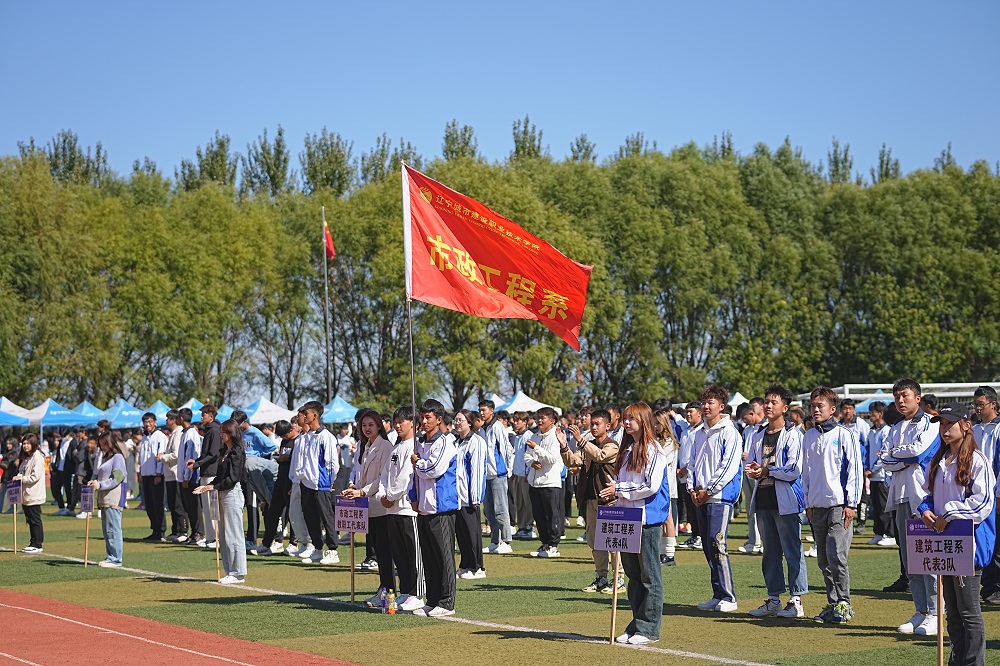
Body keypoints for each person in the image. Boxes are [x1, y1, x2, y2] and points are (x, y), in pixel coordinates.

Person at [918, 403, 996, 666]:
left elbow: (983, 503)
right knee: (952, 611)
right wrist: (925, 510)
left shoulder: (978, 460)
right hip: (942, 542)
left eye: (949, 423)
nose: (944, 429)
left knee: (969, 611)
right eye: (940, 424)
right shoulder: (937, 460)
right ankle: (957, 660)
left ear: (965, 425)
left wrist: (949, 512)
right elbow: (927, 494)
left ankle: (974, 662)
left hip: (968, 544)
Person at [599, 402, 669, 646]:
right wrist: (614, 493)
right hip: (626, 517)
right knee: (633, 575)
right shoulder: (627, 449)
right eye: (626, 419)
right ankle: (637, 623)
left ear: (644, 421)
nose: (627, 423)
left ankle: (649, 628)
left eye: (632, 419)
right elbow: (622, 482)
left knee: (650, 575)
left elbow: (650, 485)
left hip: (647, 518)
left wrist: (619, 488)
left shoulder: (654, 450)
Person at [878, 378, 940, 634]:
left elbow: (918, 453)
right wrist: (898, 457)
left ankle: (936, 613)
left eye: (905, 395)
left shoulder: (931, 423)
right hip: (901, 496)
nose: (900, 400)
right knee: (910, 559)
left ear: (917, 397)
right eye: (896, 397)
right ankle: (920, 610)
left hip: (923, 498)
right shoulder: (894, 428)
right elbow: (884, 459)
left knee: (928, 558)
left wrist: (897, 455)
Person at [745, 384, 808, 619]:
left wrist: (766, 471)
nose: (768, 405)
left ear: (785, 407)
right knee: (769, 552)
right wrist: (753, 469)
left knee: (793, 551)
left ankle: (796, 600)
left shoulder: (794, 434)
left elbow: (794, 469)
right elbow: (750, 461)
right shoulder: (757, 433)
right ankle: (773, 599)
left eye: (774, 402)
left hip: (786, 500)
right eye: (766, 401)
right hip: (762, 498)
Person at [802, 386, 862, 624]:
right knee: (823, 559)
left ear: (832, 409)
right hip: (817, 505)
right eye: (813, 406)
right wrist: (807, 501)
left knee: (837, 553)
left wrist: (851, 503)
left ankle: (845, 603)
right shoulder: (808, 435)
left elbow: (854, 470)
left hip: (839, 504)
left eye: (820, 406)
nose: (815, 410)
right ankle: (833, 602)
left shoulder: (844, 434)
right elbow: (806, 473)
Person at [688, 386, 742, 612]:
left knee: (717, 542)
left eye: (711, 402)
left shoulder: (730, 432)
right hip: (700, 495)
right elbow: (691, 463)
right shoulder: (698, 432)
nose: (706, 406)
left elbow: (728, 466)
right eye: (704, 402)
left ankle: (729, 596)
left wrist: (709, 490)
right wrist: (692, 488)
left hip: (719, 497)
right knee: (708, 547)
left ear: (722, 406)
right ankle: (717, 593)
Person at [409, 399, 459, 617]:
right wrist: (413, 495)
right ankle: (432, 599)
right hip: (423, 507)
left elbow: (433, 469)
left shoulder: (445, 443)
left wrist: (417, 462)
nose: (424, 421)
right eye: (422, 416)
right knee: (428, 555)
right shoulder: (419, 443)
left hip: (442, 506)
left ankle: (447, 602)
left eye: (428, 417)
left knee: (443, 555)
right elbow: (414, 476)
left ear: (439, 420)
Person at [563, 408, 619, 591]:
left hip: (609, 500)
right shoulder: (587, 445)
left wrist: (580, 440)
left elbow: (600, 456)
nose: (593, 427)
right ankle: (601, 577)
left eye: (597, 424)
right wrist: (564, 446)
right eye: (592, 424)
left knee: (612, 541)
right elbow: (573, 461)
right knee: (595, 542)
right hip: (591, 499)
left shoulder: (612, 445)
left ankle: (618, 579)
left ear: (607, 426)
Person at [342, 408, 395, 600]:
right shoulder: (364, 446)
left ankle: (388, 589)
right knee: (378, 550)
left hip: (381, 505)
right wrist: (353, 485)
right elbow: (359, 473)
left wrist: (361, 491)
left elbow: (383, 478)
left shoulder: (386, 447)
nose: (367, 428)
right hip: (366, 506)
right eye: (363, 425)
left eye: (371, 425)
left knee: (385, 551)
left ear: (379, 426)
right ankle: (383, 588)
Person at [376, 406, 424, 613]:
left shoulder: (415, 446)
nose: (397, 425)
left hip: (406, 509)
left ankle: (418, 593)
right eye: (395, 421)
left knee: (413, 553)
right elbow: (384, 476)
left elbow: (407, 478)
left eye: (401, 421)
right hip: (391, 510)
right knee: (400, 554)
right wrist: (382, 496)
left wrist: (391, 496)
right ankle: (406, 590)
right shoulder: (396, 448)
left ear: (412, 423)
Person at [193, 419, 247, 585]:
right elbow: (221, 476)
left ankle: (238, 572)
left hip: (232, 494)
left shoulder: (237, 451)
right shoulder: (224, 451)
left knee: (233, 533)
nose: (221, 434)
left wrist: (212, 486)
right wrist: (208, 486)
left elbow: (233, 478)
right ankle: (229, 570)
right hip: (222, 493)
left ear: (231, 433)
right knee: (223, 534)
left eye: (224, 432)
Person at [292, 401, 341, 565]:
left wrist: (330, 481)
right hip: (306, 484)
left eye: (306, 413)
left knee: (327, 517)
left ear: (315, 415)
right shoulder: (305, 437)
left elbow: (332, 463)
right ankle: (318, 549)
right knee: (311, 518)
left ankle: (333, 550)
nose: (303, 416)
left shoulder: (326, 436)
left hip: (322, 485)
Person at [255, 419, 300, 556]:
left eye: (285, 435)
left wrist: (287, 459)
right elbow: (283, 455)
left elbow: (298, 461)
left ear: (291, 430)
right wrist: (281, 458)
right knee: (273, 512)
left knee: (293, 514)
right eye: (281, 436)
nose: (284, 438)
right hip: (280, 479)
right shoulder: (284, 441)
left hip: (291, 480)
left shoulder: (298, 442)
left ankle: (294, 543)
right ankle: (266, 544)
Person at [525, 406, 565, 558]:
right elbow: (526, 456)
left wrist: (537, 449)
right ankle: (545, 544)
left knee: (552, 515)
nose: (539, 420)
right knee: (539, 515)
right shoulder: (535, 436)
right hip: (534, 482)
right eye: (538, 417)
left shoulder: (556, 436)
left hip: (550, 482)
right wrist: (531, 463)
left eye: (543, 418)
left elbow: (552, 459)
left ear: (552, 421)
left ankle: (554, 545)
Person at [972, 386, 1000, 604]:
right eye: (976, 404)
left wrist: (998, 495)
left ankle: (995, 588)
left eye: (981, 404)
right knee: (985, 541)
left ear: (993, 404)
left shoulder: (998, 429)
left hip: (995, 494)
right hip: (978, 497)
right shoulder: (975, 429)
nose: (978, 408)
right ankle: (988, 587)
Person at [452, 409, 487, 580]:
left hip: (469, 496)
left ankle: (477, 567)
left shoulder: (476, 441)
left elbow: (477, 470)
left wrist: (475, 496)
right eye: (456, 420)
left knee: (472, 532)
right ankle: (465, 564)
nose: (457, 423)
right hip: (457, 496)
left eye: (461, 420)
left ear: (470, 423)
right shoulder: (456, 442)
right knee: (461, 533)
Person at [479, 400, 514, 555]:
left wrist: (509, 470)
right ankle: (495, 540)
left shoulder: (497, 427)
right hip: (486, 475)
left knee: (501, 509)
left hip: (498, 474)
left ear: (492, 411)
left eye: (484, 410)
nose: (481, 413)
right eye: (480, 410)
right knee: (489, 511)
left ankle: (506, 541)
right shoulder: (481, 429)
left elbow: (506, 448)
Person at [89, 431, 128, 567]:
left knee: (113, 528)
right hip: (104, 497)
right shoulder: (106, 458)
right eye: (101, 445)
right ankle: (111, 555)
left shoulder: (118, 457)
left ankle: (116, 558)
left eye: (105, 444)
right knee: (107, 528)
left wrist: (100, 484)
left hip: (114, 497)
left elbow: (118, 478)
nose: (103, 447)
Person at [187, 404, 221, 548]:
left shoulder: (214, 430)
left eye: (204, 415)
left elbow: (213, 454)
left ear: (211, 416)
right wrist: (197, 462)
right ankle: (210, 538)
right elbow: (206, 454)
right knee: (206, 508)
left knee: (213, 508)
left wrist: (197, 464)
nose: (202, 417)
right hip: (206, 472)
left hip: (212, 473)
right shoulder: (209, 430)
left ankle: (216, 538)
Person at [864, 401, 895, 547]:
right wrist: (866, 468)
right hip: (872, 475)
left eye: (873, 412)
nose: (870, 415)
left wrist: (873, 469)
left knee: (884, 506)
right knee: (875, 505)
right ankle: (878, 532)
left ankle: (890, 534)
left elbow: (884, 453)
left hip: (883, 475)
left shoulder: (886, 431)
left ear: (880, 414)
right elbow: (868, 451)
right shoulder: (871, 431)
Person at [738, 398, 765, 554]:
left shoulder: (764, 428)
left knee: (761, 509)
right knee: (750, 509)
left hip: (758, 472)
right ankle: (753, 541)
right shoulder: (747, 430)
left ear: (751, 413)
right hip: (746, 472)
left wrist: (751, 456)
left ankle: (764, 542)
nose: (744, 421)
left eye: (745, 418)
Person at [157, 409, 189, 542]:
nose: (166, 421)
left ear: (174, 420)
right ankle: (175, 530)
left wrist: (163, 457)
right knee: (171, 504)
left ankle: (183, 531)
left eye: (168, 418)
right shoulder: (173, 434)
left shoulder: (178, 433)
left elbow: (176, 454)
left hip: (176, 474)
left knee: (178, 505)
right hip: (169, 474)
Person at [653, 410, 680, 567]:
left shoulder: (670, 442)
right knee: (661, 518)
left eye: (658, 423)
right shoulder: (656, 440)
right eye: (654, 423)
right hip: (657, 486)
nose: (656, 426)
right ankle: (662, 552)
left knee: (668, 518)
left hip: (667, 486)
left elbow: (660, 459)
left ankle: (669, 554)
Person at [676, 401, 704, 547]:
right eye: (686, 412)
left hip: (694, 475)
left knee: (696, 506)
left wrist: (686, 469)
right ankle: (695, 535)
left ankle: (700, 536)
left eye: (691, 412)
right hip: (683, 475)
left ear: (699, 413)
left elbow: (698, 454)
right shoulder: (687, 430)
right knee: (689, 506)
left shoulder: (701, 430)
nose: (688, 414)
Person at [13, 434, 45, 553]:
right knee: (30, 519)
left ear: (33, 443)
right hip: (26, 493)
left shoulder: (38, 457)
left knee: (35, 518)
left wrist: (21, 479)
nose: (25, 446)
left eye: (28, 443)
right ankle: (33, 542)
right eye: (24, 444)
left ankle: (37, 544)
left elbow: (35, 477)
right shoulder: (27, 457)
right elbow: (22, 471)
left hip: (34, 493)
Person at [138, 412, 167, 541]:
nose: (148, 424)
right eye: (145, 422)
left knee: (157, 504)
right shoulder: (144, 437)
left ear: (155, 422)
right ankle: (154, 529)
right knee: (149, 504)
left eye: (150, 421)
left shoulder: (160, 436)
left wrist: (158, 473)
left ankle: (160, 531)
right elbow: (142, 457)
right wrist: (141, 474)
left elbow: (160, 455)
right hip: (146, 474)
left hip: (156, 475)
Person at [177, 408, 204, 545]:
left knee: (194, 506)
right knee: (188, 506)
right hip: (185, 476)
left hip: (191, 476)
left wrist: (187, 476)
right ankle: (194, 532)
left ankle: (198, 532)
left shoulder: (191, 433)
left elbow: (190, 456)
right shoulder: (185, 433)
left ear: (181, 418)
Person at [509, 411, 535, 540]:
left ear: (525, 422)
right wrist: (514, 472)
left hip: (526, 475)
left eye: (518, 420)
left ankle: (530, 526)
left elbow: (529, 455)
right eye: (514, 420)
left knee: (527, 502)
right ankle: (522, 526)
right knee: (518, 502)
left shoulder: (528, 436)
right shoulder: (517, 436)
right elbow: (516, 456)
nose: (515, 423)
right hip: (517, 474)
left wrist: (528, 473)